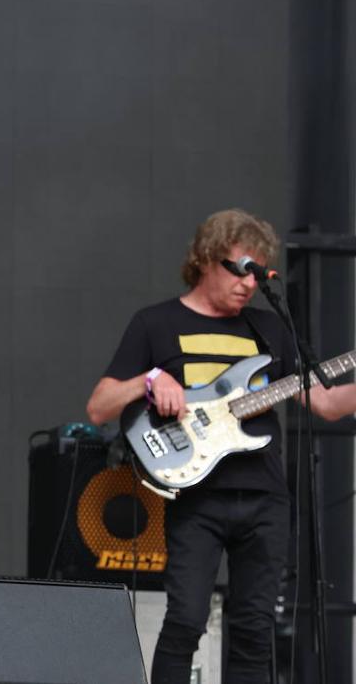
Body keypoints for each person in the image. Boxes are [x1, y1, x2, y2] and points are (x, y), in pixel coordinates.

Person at [85, 209, 356, 684]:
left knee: (255, 631)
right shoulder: (156, 323)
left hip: (266, 499)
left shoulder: (270, 328)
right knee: (185, 622)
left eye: (257, 274)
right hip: (198, 500)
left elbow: (328, 405)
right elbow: (98, 407)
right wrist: (150, 379)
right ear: (205, 259)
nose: (249, 284)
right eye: (239, 269)